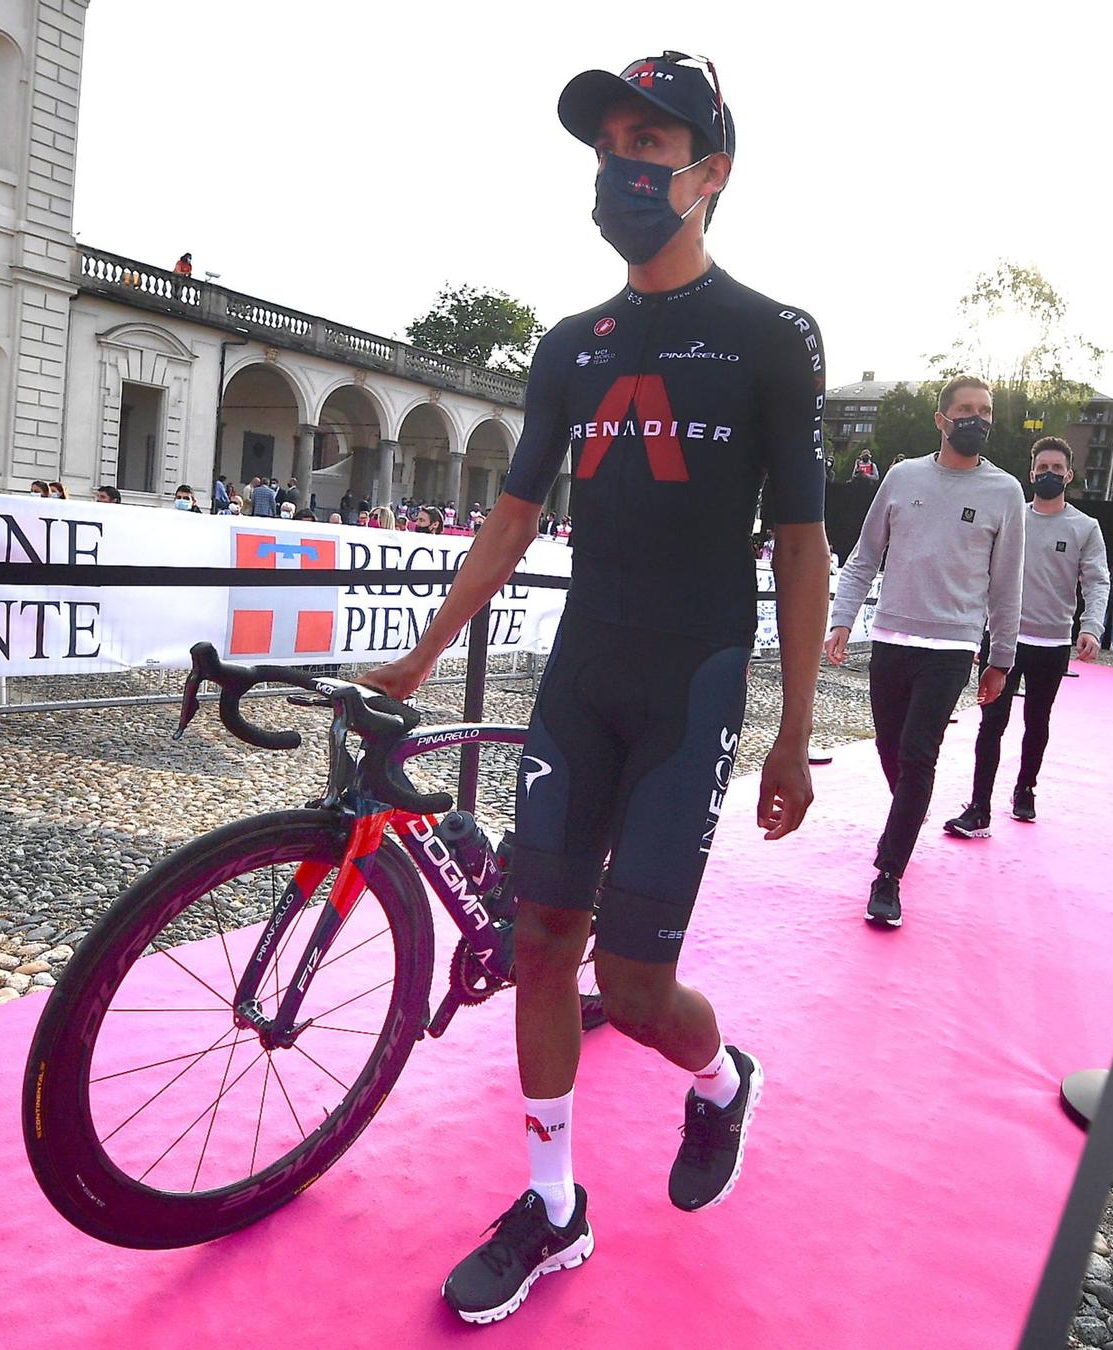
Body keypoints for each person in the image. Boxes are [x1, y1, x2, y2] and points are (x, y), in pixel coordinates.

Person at [358, 51, 829, 1325]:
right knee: (536, 947)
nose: (620, 165)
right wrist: (412, 652)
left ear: (707, 174)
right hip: (582, 674)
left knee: (628, 982)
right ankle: (551, 1202)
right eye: (606, 141)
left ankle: (723, 1076)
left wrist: (791, 730)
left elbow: (798, 543)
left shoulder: (771, 335)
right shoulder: (570, 346)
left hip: (693, 682)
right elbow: (510, 521)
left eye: (648, 141)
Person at [825, 375, 1025, 928]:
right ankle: (906, 817)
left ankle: (888, 874)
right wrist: (843, 620)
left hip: (952, 645)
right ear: (942, 419)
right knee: (892, 751)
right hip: (890, 638)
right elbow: (864, 556)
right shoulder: (902, 476)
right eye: (965, 410)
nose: (976, 419)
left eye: (984, 411)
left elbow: (1007, 586)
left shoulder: (1005, 492)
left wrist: (1000, 659)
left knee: (917, 754)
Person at [942, 437, 1107, 838]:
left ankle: (1025, 790)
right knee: (991, 723)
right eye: (1042, 468)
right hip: (1003, 641)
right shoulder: (1010, 516)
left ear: (1069, 475)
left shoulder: (1085, 528)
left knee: (1037, 720)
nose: (1048, 474)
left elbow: (1098, 582)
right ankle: (979, 807)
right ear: (1030, 472)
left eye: (1056, 469)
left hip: (1051, 645)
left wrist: (1091, 627)